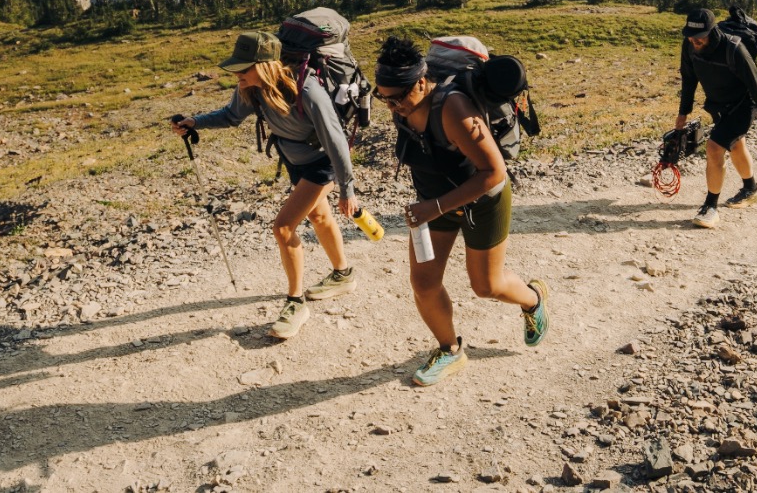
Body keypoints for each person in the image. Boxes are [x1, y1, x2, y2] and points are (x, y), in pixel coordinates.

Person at [376, 35, 550, 386]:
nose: (392, 106)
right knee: (424, 283)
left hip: (482, 201)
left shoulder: (453, 109)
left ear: (422, 82)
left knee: (486, 286)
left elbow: (494, 172)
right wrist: (431, 206)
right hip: (433, 202)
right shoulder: (406, 106)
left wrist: (433, 207)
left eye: (397, 97)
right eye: (383, 98)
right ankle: (450, 350)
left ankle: (533, 300)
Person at [172, 30, 361, 340]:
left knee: (283, 227)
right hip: (295, 161)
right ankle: (343, 275)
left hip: (322, 162)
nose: (237, 74)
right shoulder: (252, 89)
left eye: (242, 68)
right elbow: (231, 116)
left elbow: (337, 142)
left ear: (263, 65)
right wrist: (196, 122)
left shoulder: (307, 90)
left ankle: (295, 303)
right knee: (318, 215)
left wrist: (347, 188)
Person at [673, 7, 757, 230]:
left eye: (699, 37)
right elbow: (688, 79)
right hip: (717, 105)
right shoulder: (689, 45)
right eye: (690, 35)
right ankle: (751, 189)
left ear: (712, 32)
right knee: (736, 146)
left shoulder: (734, 49)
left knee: (714, 147)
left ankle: (710, 207)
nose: (694, 40)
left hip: (742, 105)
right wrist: (683, 112)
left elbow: (756, 88)